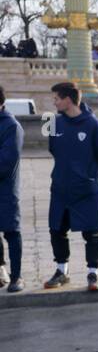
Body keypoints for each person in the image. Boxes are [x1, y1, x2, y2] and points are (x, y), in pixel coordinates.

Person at [43, 82, 98, 291]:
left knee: (92, 233)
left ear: (68, 99)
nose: (53, 102)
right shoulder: (51, 122)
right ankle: (61, 271)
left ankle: (94, 274)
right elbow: (53, 150)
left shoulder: (95, 125)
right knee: (56, 230)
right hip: (60, 188)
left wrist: (85, 175)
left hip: (86, 189)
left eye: (56, 98)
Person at [0, 87, 23, 292]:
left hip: (5, 190)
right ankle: (1, 271)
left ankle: (17, 277)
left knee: (11, 232)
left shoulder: (11, 126)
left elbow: (6, 162)